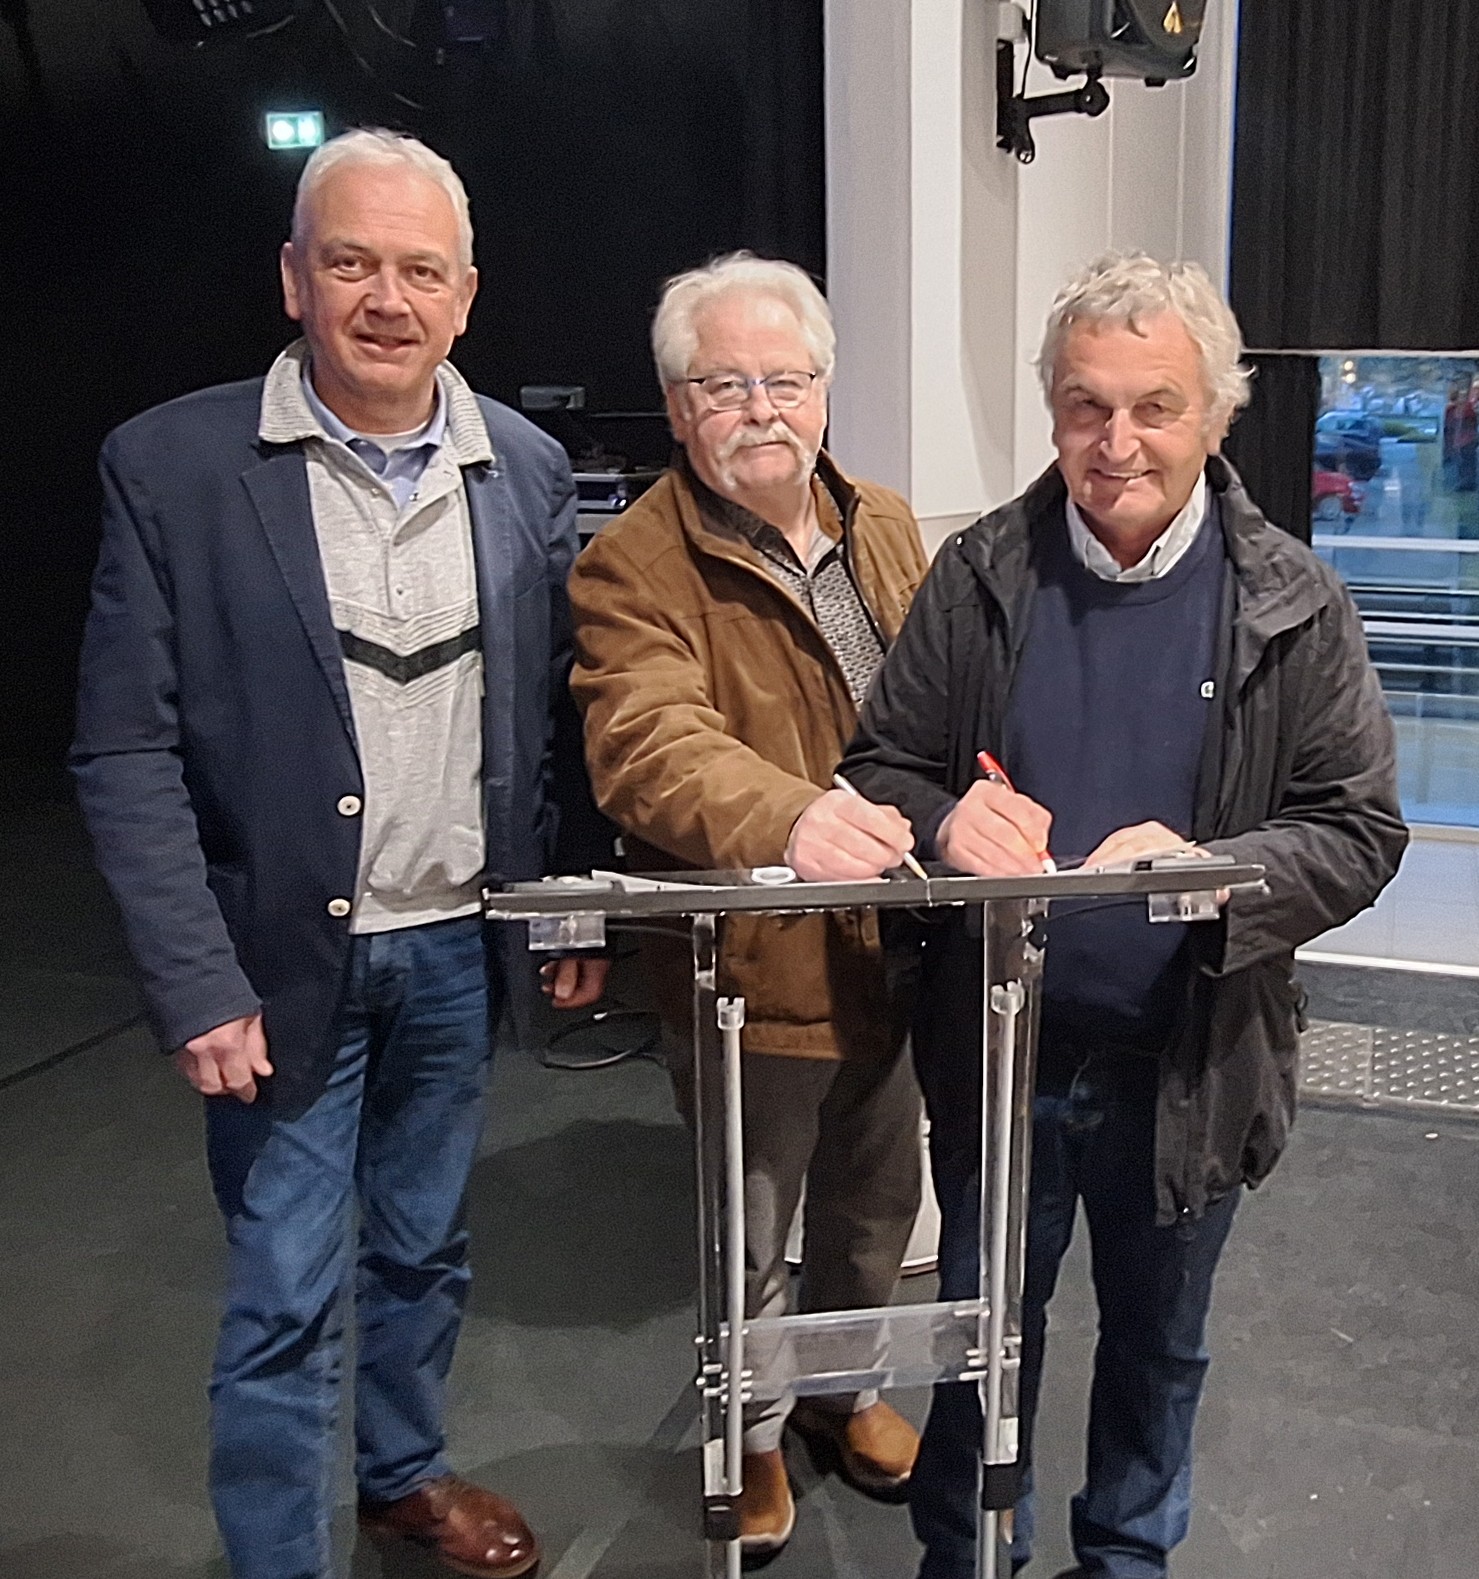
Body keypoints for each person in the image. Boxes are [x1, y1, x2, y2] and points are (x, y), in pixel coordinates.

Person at [812, 252, 1407, 1578]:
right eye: (1086, 406)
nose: (1116, 442)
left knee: (1158, 1347)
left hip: (1193, 1060)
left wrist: (1213, 871)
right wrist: (940, 820)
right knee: (980, 1341)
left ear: (1217, 416)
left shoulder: (1295, 602)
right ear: (1054, 409)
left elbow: (1359, 829)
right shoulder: (979, 574)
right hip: (1001, 1051)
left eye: (1154, 407)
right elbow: (880, 766)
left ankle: (1127, 1560)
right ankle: (967, 1557)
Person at [70, 128, 608, 1579]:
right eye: (353, 262)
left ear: (466, 296)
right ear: (294, 279)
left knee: (425, 1250)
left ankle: (403, 1475)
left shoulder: (525, 468)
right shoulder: (174, 467)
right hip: (276, 970)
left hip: (455, 953)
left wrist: (563, 915)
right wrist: (195, 981)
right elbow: (124, 750)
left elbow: (555, 724)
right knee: (282, 1296)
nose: (388, 298)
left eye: (421, 270)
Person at [567, 252, 929, 1559]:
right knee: (753, 1229)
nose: (762, 408)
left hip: (901, 946)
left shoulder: (884, 523)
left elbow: (942, 698)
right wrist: (792, 816)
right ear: (678, 407)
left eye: (787, 379)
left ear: (825, 390)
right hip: (753, 968)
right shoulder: (630, 563)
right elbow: (647, 742)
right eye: (726, 385)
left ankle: (844, 1393)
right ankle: (755, 1435)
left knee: (877, 1204)